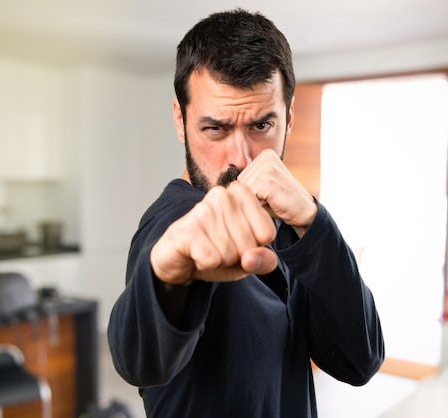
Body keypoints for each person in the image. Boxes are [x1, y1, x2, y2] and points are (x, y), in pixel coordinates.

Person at [108, 9, 384, 418]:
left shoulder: (288, 222)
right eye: (215, 128)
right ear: (181, 122)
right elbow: (140, 363)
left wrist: (312, 221)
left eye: (261, 126)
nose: (240, 157)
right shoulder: (173, 223)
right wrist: (166, 279)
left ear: (289, 120)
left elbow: (359, 360)